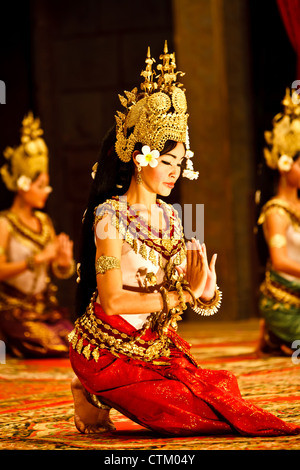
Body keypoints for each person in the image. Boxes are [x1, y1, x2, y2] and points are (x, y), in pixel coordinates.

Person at [69, 43, 300, 436]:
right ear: (140, 157)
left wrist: (206, 291)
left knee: (219, 393)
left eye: (180, 163)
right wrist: (181, 297)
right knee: (180, 412)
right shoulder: (110, 217)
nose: (174, 173)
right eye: (166, 161)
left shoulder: (172, 218)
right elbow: (112, 299)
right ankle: (88, 386)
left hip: (157, 347)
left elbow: (185, 293)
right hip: (108, 349)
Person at [0, 112, 75, 358]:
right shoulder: (4, 223)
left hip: (43, 309)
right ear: (23, 186)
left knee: (76, 341)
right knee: (45, 343)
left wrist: (63, 263)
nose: (46, 192)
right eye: (40, 186)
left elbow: (57, 270)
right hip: (13, 311)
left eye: (47, 185)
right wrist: (37, 260)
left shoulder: (44, 221)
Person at [256, 88, 300, 356]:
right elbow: (281, 260)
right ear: (285, 164)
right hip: (286, 303)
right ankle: (276, 333)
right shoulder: (276, 212)